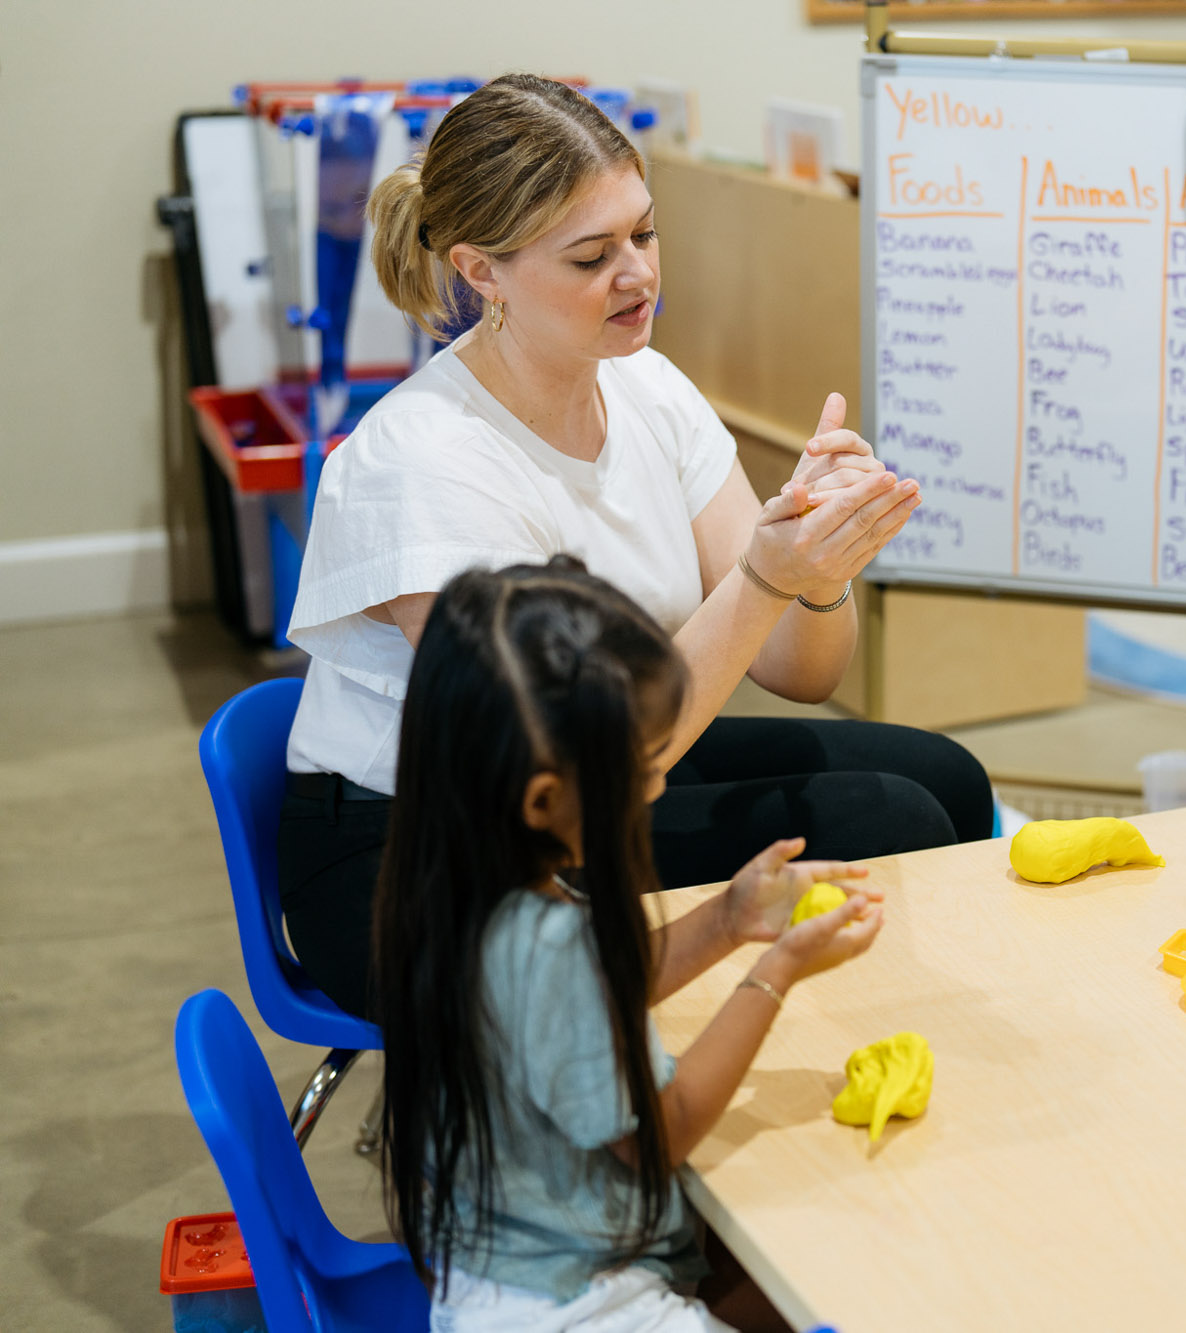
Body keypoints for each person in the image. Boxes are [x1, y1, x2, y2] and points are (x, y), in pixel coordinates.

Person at [279, 73, 989, 1017]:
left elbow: (800, 668)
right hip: (423, 857)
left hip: (599, 777)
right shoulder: (425, 464)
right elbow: (573, 776)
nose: (639, 275)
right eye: (590, 256)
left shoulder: (645, 385)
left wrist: (818, 568)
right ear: (480, 270)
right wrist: (761, 579)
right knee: (886, 818)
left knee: (944, 774)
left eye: (644, 234)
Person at [374, 556, 884, 1331]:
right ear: (544, 798)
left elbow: (590, 999)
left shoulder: (457, 889)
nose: (655, 790)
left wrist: (726, 920)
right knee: (858, 1278)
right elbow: (661, 1134)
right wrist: (775, 971)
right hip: (576, 1303)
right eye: (642, 768)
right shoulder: (546, 943)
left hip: (499, 1269)